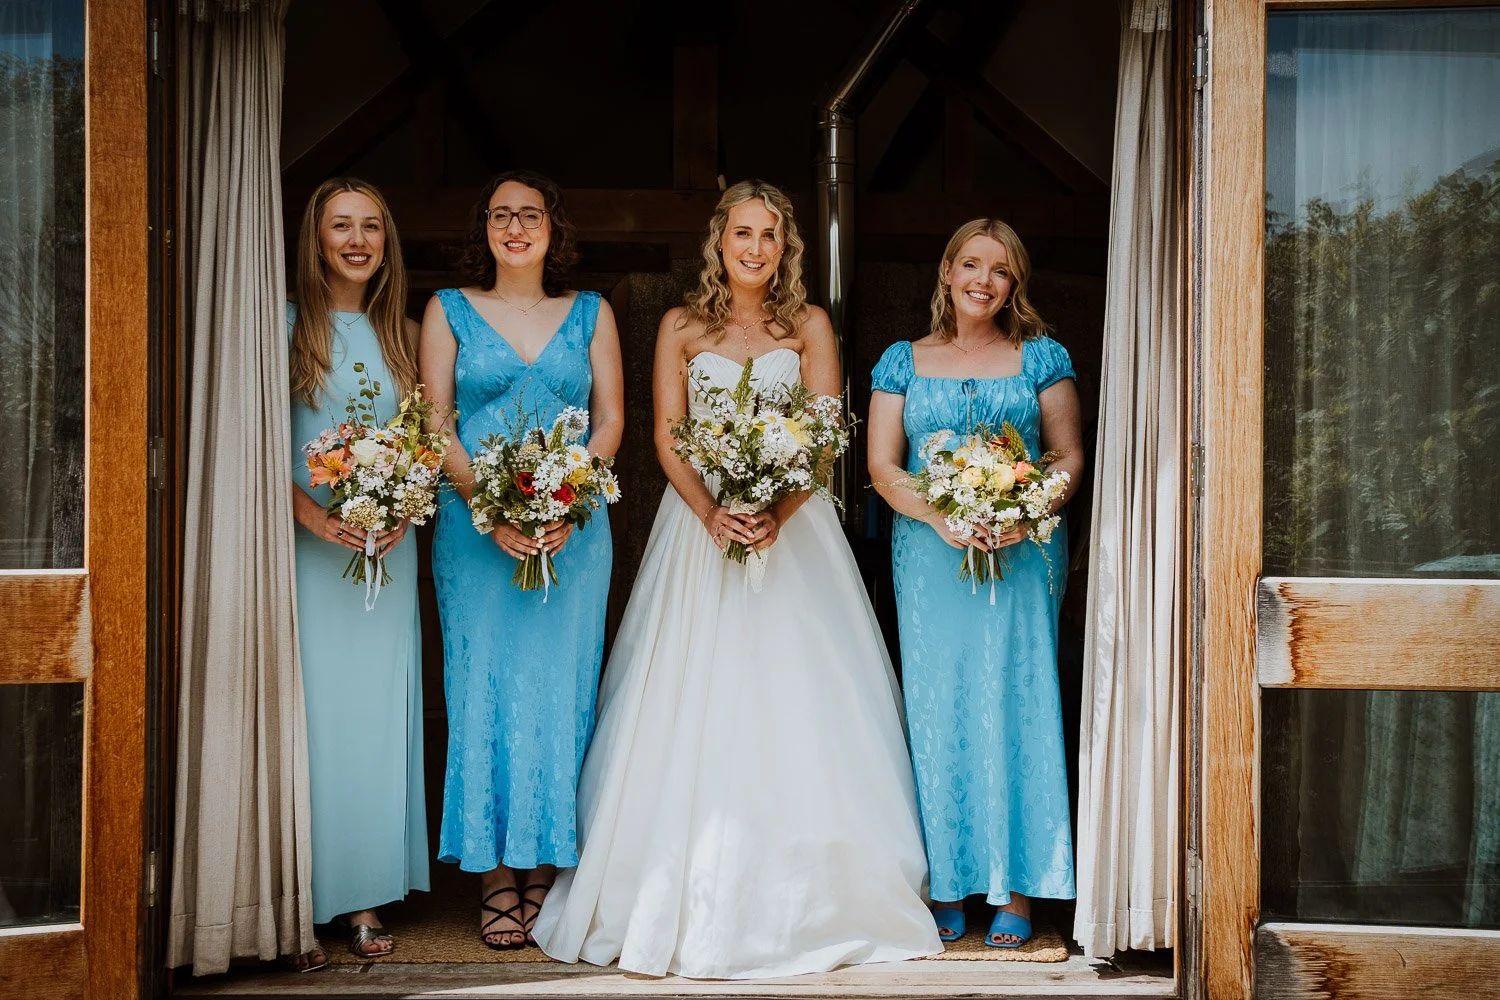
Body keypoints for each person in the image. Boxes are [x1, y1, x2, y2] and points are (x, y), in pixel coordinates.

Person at [533, 180, 941, 978]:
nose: (756, 249)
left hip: (797, 531)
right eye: (742, 234)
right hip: (701, 533)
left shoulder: (809, 325)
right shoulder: (683, 326)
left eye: (770, 237)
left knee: (805, 696)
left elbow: (824, 435)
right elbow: (666, 433)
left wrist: (776, 512)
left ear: (785, 247)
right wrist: (714, 514)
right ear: (718, 241)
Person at [419, 170, 625, 949]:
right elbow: (435, 421)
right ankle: (494, 874)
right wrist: (490, 507)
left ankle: (546, 865)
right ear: (485, 228)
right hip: (475, 534)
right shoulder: (446, 310)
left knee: (561, 690)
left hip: (573, 532)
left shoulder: (591, 313)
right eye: (501, 215)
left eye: (529, 214)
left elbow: (610, 422)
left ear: (551, 227)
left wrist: (568, 502)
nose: (515, 227)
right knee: (480, 690)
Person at [866, 218, 1083, 948]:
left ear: (1014, 283)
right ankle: (949, 881)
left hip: (1021, 558)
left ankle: (1018, 887)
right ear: (947, 271)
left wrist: (1026, 513)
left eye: (999, 269)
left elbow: (1066, 457)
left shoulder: (1041, 357)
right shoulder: (902, 360)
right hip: (930, 559)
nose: (982, 280)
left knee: (1017, 701)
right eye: (970, 264)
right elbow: (881, 467)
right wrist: (941, 516)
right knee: (939, 705)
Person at [288, 177, 430, 961]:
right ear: (315, 237)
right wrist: (315, 517)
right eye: (341, 225)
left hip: (386, 559)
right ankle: (299, 899)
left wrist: (404, 507)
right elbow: (252, 442)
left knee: (375, 720)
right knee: (312, 722)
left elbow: (421, 443)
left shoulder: (405, 336)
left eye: (372, 226)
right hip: (311, 557)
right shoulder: (284, 328)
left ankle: (365, 898)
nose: (357, 240)